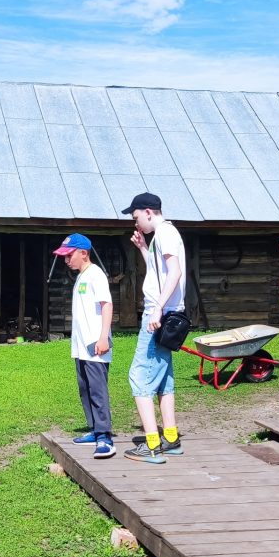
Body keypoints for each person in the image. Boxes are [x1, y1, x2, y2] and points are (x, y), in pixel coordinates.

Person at [121, 193, 185, 464]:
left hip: (160, 315)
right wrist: (144, 249)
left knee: (138, 377)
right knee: (163, 380)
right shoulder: (161, 236)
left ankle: (151, 444)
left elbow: (175, 272)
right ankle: (170, 438)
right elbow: (160, 272)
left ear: (148, 212)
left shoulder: (166, 232)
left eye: (136, 218)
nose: (136, 224)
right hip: (169, 314)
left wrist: (158, 307)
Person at [52, 233, 115, 459]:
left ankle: (105, 437)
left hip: (95, 344)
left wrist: (103, 338)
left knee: (97, 390)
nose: (66, 260)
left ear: (83, 253)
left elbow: (107, 305)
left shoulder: (96, 275)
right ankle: (94, 429)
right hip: (81, 347)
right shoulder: (81, 276)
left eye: (69, 256)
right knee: (85, 388)